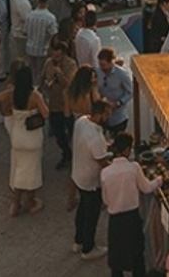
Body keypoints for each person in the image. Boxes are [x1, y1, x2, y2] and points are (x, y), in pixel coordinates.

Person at [100, 132, 162, 277]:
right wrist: (159, 180)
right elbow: (146, 188)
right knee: (137, 256)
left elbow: (105, 200)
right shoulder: (133, 168)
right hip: (132, 218)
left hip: (115, 220)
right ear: (127, 150)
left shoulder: (105, 173)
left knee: (116, 260)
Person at [0, 65, 49, 216]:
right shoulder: (35, 95)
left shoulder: (11, 93)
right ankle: (30, 202)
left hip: (18, 136)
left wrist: (6, 109)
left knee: (19, 170)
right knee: (32, 171)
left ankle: (15, 204)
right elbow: (46, 113)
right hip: (32, 137)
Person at [71, 100, 112, 261]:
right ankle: (88, 248)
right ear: (100, 114)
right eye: (107, 114)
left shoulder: (81, 122)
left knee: (82, 210)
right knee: (91, 215)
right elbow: (102, 162)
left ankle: (78, 240)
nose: (108, 117)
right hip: (91, 181)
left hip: (78, 174)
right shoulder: (95, 137)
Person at [42, 39, 76, 170]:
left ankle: (72, 154)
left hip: (67, 106)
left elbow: (70, 85)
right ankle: (66, 153)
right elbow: (43, 78)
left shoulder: (71, 64)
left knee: (70, 133)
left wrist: (59, 74)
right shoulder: (48, 63)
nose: (54, 56)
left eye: (58, 53)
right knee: (58, 133)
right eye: (53, 52)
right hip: (53, 104)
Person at [24, 0, 58, 84]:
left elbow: (25, 32)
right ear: (48, 1)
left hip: (30, 48)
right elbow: (54, 35)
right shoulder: (50, 17)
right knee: (42, 75)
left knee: (32, 74)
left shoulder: (29, 15)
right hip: (43, 50)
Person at [97, 48, 132, 137]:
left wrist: (119, 103)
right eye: (100, 65)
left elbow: (130, 92)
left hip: (118, 117)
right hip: (102, 117)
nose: (102, 68)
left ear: (110, 62)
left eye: (104, 65)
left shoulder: (122, 74)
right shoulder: (98, 72)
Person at [9, 0, 33, 65]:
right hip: (21, 34)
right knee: (23, 61)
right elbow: (27, 19)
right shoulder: (21, 1)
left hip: (16, 31)